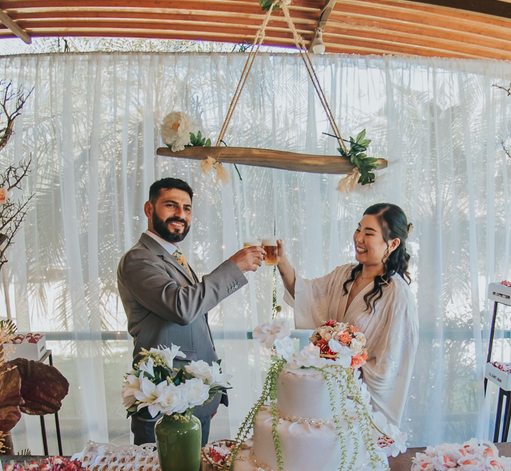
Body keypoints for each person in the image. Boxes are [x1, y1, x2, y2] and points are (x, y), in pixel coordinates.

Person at [117, 178, 264, 445]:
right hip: (165, 399)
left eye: (186, 208)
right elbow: (182, 308)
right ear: (149, 209)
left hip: (193, 396)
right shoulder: (139, 259)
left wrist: (208, 393)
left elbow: (193, 320)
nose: (180, 215)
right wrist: (234, 266)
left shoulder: (173, 256)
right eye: (171, 205)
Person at [275, 203, 418, 426]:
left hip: (361, 401)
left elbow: (391, 364)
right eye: (358, 229)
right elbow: (305, 295)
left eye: (368, 233)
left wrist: (346, 365)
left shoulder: (397, 294)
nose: (359, 238)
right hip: (326, 392)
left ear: (393, 243)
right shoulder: (343, 274)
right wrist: (281, 260)